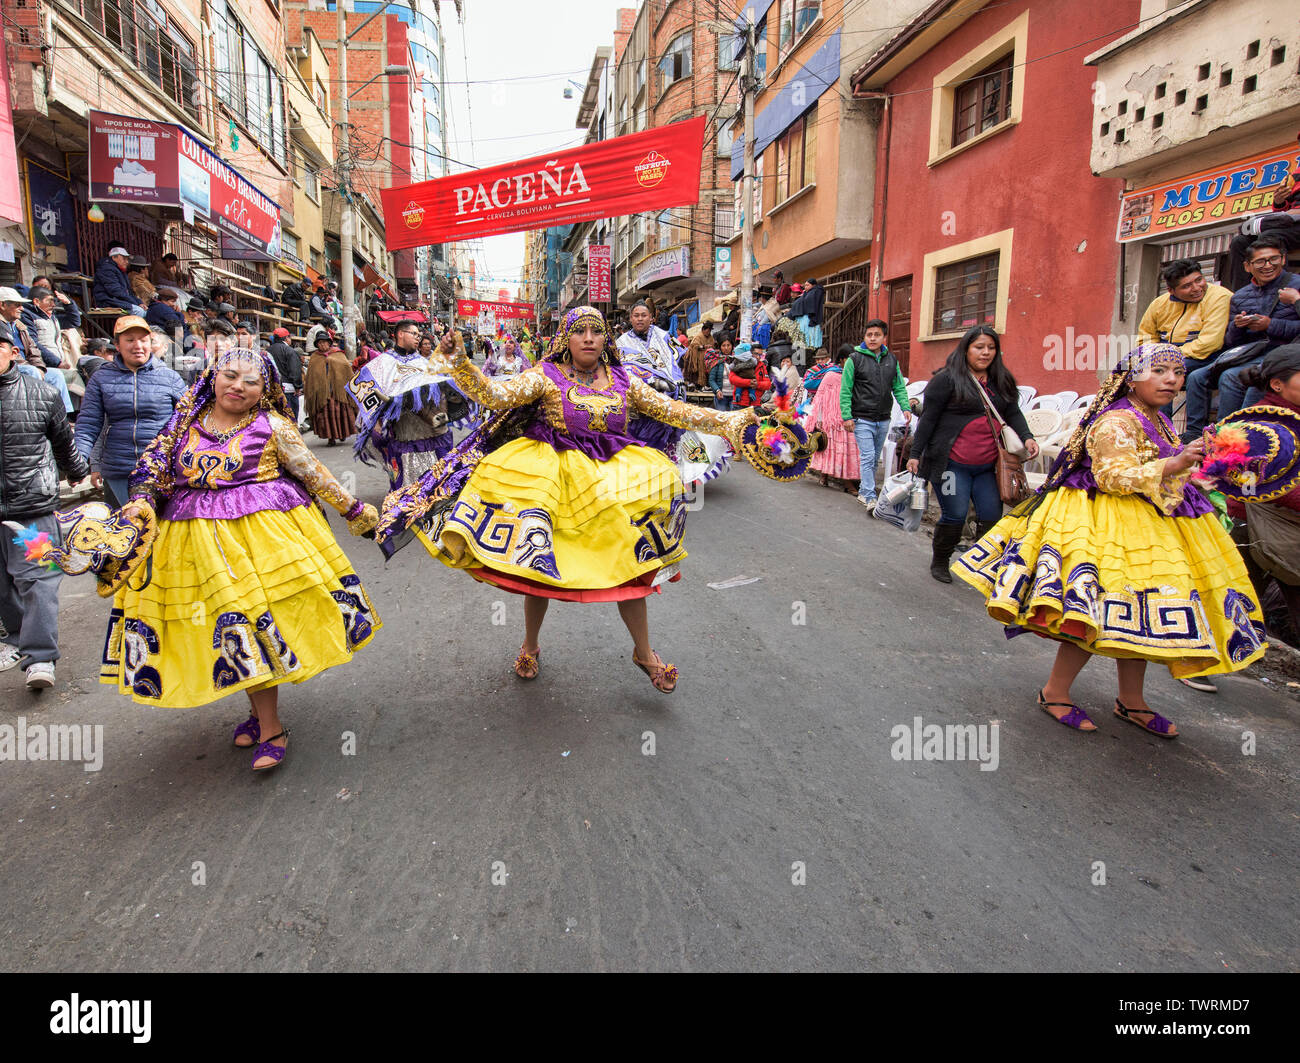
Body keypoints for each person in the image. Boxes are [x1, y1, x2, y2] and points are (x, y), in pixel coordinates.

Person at [378, 306, 818, 691]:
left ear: (605, 338)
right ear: (565, 340)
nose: (588, 338)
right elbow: (496, 396)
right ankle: (530, 645)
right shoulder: (545, 375)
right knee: (539, 569)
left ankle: (643, 653)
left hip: (612, 486)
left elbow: (679, 411)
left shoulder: (625, 381)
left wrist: (738, 418)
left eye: (596, 331)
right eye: (579, 331)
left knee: (629, 567)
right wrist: (462, 368)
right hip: (551, 479)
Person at [952, 343, 1266, 738]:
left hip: (1155, 524)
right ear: (1132, 378)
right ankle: (1054, 692)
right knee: (1092, 613)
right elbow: (1112, 476)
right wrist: (1177, 462)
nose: (1171, 380)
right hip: (1104, 526)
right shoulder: (1116, 419)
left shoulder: (1156, 417)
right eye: (1160, 372)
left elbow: (1162, 463)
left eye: (1178, 372)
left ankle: (1132, 701)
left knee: (1139, 619)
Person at [108, 347, 380, 770]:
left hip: (262, 546)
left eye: (250, 381)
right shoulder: (183, 426)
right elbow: (152, 469)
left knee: (249, 624)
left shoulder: (273, 427)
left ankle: (270, 727)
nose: (238, 386)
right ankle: (258, 714)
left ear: (264, 389)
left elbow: (315, 474)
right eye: (230, 376)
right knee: (222, 630)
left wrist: (355, 511)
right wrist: (141, 503)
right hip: (191, 550)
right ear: (213, 378)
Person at [907, 325, 1039, 581]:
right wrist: (915, 453)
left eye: (991, 348)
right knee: (955, 515)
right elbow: (929, 419)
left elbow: (1012, 413)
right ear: (966, 349)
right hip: (950, 465)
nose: (985, 353)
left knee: (991, 517)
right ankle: (941, 561)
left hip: (988, 467)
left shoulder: (1002, 380)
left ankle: (979, 564)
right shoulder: (946, 380)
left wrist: (1028, 437)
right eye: (979, 347)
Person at [0, 333, 91, 689]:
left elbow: (62, 444)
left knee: (38, 581)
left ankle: (40, 657)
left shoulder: (41, 393)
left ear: (13, 351)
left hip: (31, 507)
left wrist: (80, 471)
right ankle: (16, 640)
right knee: (3, 587)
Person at [1183, 238, 1300, 439]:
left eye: (1274, 259)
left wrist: (1270, 324)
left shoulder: (1296, 285)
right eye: (1260, 262)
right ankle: (1195, 435)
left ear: (1283, 259)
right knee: (1197, 376)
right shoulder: (1240, 296)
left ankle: (1235, 436)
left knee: (1232, 377)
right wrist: (1237, 326)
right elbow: (1232, 343)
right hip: (1253, 352)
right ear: (1247, 266)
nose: (1268, 265)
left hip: (1288, 351)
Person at [74, 316, 187, 509]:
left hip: (159, 469)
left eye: (143, 340)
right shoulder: (101, 378)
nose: (138, 346)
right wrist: (78, 462)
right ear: (117, 345)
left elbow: (187, 419)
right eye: (130, 340)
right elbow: (88, 424)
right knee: (124, 530)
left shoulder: (169, 377)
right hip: (118, 469)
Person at [348, 320, 464, 491]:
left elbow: (443, 391)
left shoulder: (424, 362)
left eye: (419, 335)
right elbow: (364, 391)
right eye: (414, 334)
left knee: (439, 481)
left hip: (434, 430)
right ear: (400, 334)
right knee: (407, 484)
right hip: (405, 430)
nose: (418, 338)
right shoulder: (382, 363)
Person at [841, 319, 911, 508]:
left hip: (883, 418)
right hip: (861, 417)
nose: (872, 338)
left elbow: (898, 386)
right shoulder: (854, 359)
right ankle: (869, 495)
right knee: (868, 455)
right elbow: (846, 390)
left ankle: (865, 489)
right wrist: (846, 416)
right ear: (864, 337)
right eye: (869, 335)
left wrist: (905, 407)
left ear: (884, 337)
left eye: (877, 335)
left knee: (874, 457)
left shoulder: (891, 360)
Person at [1225, 131, 1300, 291]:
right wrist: (1280, 201)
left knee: (1270, 236)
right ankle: (1243, 295)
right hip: (1291, 223)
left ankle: (1277, 291)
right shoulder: (1294, 176)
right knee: (1240, 242)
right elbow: (1284, 207)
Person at [1136, 258, 1232, 379]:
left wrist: (1168, 356)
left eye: (1199, 280)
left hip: (1206, 356)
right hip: (1165, 356)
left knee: (1158, 374)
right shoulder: (1159, 303)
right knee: (1127, 373)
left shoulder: (1219, 297)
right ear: (1171, 290)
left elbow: (1210, 343)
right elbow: (1146, 337)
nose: (1196, 288)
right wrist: (1154, 356)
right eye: (1187, 286)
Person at [0, 287, 74, 413]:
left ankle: (62, 416)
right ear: (2, 305)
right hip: (11, 368)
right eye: (17, 305)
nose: (21, 308)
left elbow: (33, 349)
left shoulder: (19, 325)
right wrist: (33, 367)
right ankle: (37, 414)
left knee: (56, 375)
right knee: (31, 371)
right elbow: (9, 353)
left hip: (27, 366)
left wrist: (40, 367)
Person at [803, 344, 860, 489]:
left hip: (847, 416)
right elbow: (820, 397)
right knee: (829, 447)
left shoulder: (856, 375)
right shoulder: (831, 375)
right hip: (831, 419)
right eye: (849, 359)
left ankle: (845, 480)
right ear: (841, 360)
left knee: (844, 450)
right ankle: (826, 475)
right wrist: (818, 419)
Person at [303, 333, 356, 445]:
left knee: (340, 411)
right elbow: (311, 376)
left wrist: (332, 362)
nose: (322, 345)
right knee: (326, 415)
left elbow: (346, 369)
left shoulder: (338, 355)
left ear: (329, 343)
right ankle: (330, 438)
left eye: (324, 342)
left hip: (338, 391)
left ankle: (342, 433)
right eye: (320, 343)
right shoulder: (314, 358)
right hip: (322, 393)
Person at [92, 247, 145, 314]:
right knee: (139, 311)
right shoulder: (107, 269)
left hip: (118, 301)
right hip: (108, 301)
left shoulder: (120, 271)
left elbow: (129, 292)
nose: (127, 262)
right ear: (114, 257)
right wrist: (135, 303)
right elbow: (115, 291)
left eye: (127, 259)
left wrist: (139, 302)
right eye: (124, 259)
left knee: (145, 310)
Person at [267, 328, 303, 418]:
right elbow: (295, 370)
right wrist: (298, 387)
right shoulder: (289, 350)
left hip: (271, 388)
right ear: (286, 338)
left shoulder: (267, 351)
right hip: (288, 389)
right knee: (291, 417)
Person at [729, 344, 769, 409]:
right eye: (756, 354)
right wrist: (749, 382)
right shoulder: (740, 362)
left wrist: (757, 384)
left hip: (755, 404)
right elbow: (732, 379)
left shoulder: (762, 366)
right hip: (739, 403)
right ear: (750, 353)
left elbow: (767, 384)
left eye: (760, 355)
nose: (758, 357)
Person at [707, 339, 731, 410]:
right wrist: (717, 390)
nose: (726, 348)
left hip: (735, 396)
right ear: (720, 347)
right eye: (723, 345)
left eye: (728, 345)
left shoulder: (737, 360)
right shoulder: (716, 360)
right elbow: (711, 380)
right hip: (721, 396)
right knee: (722, 419)